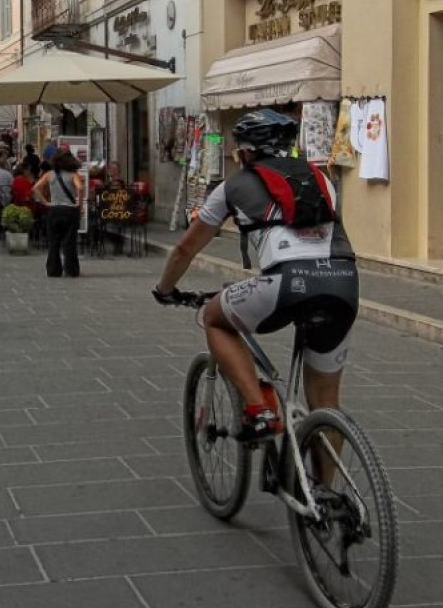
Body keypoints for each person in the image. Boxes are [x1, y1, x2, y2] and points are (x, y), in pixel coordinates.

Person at [153, 108, 359, 443]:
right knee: (326, 404)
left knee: (214, 318)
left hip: (285, 283)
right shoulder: (324, 180)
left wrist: (165, 289)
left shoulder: (232, 187)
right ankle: (323, 494)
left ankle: (259, 409)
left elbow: (184, 250)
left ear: (246, 151)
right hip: (343, 281)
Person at [32, 148, 84, 278]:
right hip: (69, 211)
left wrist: (45, 202)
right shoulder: (73, 175)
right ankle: (71, 270)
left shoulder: (49, 175)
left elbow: (35, 188)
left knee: (54, 241)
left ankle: (53, 270)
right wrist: (80, 204)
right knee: (69, 241)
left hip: (54, 210)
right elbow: (81, 188)